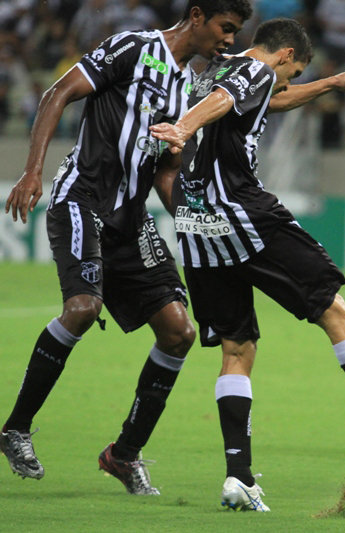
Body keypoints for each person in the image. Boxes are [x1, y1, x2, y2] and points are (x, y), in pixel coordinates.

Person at [150, 18, 345, 512]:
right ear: (285, 55)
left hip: (197, 225)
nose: (286, 82)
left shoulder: (221, 69)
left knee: (236, 348)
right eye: (296, 71)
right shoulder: (255, 70)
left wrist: (329, 82)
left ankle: (239, 478)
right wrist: (184, 127)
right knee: (333, 308)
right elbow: (229, 98)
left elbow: (266, 99)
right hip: (243, 213)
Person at [1, 0, 254, 495]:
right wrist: (33, 170)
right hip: (82, 199)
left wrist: (192, 220)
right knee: (82, 306)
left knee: (180, 332)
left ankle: (124, 454)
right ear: (198, 16)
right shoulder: (133, 47)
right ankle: (15, 428)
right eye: (226, 28)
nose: (230, 40)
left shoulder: (189, 89)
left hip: (130, 220)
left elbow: (165, 171)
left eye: (236, 32)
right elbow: (58, 93)